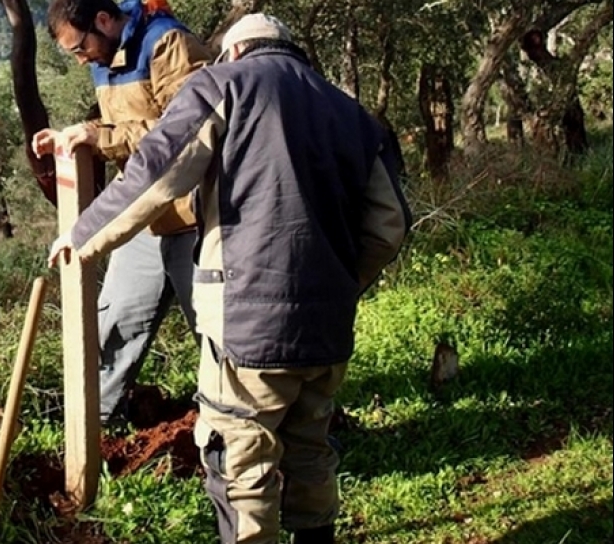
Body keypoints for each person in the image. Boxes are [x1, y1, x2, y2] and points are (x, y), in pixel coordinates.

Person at [48, 12, 412, 544]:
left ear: (235, 53)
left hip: (248, 325)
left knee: (239, 460)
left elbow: (159, 166)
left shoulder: (223, 84)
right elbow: (389, 226)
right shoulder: (353, 114)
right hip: (327, 327)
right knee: (310, 446)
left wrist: (84, 236)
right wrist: (340, 284)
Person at [32, 0, 213, 425]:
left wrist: (100, 136)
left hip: (196, 218)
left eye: (79, 49)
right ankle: (92, 424)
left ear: (103, 20)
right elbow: (126, 127)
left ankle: (241, 427)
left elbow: (186, 132)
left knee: (216, 333)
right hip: (143, 216)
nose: (81, 61)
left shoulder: (169, 44)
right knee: (113, 326)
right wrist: (74, 137)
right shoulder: (104, 55)